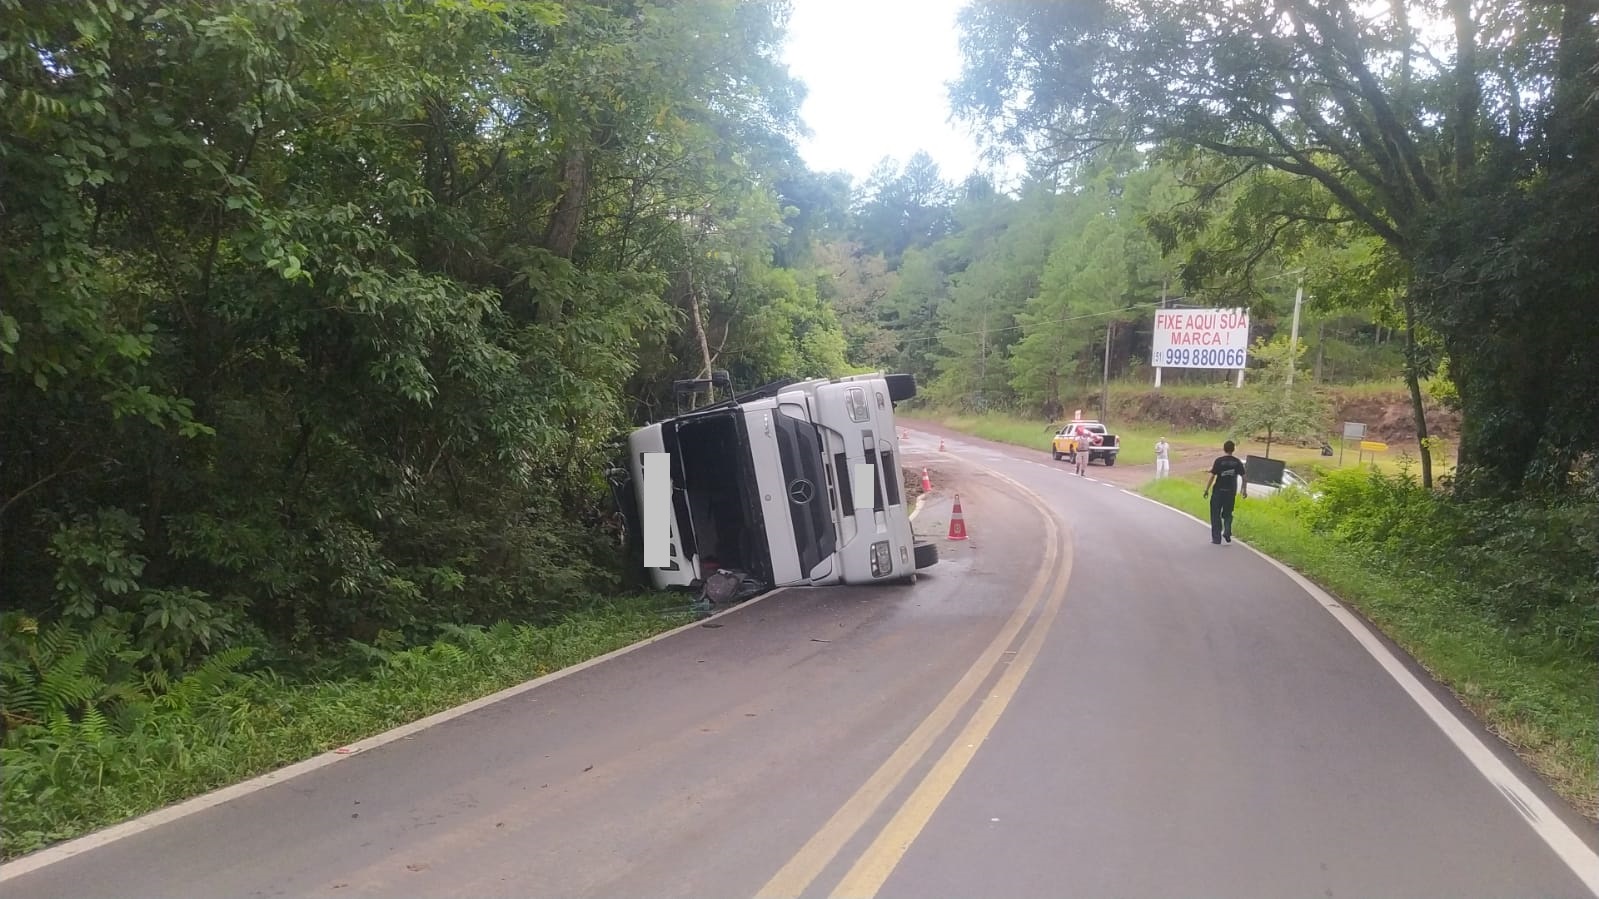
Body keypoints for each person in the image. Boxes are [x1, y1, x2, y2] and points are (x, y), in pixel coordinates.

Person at [1202, 439, 1247, 544]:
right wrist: (1244, 490)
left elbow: (1212, 476)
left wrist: (1206, 489)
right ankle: (1227, 530)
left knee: (1215, 514)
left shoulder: (1219, 461)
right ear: (1233, 449)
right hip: (1230, 492)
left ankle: (1216, 538)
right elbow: (1244, 477)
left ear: (1224, 449)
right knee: (1228, 513)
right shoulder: (1237, 462)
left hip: (1218, 491)